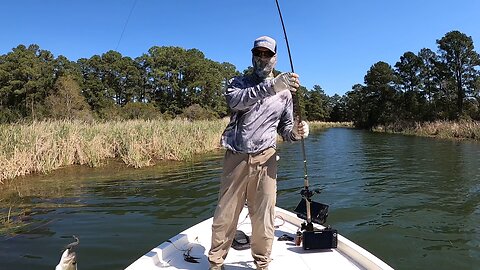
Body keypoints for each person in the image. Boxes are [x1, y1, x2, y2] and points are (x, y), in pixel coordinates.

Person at [208, 35, 309, 270]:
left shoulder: (285, 94)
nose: (262, 58)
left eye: (267, 54)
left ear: (275, 58)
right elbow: (236, 103)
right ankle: (215, 264)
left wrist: (297, 130)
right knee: (226, 214)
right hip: (236, 157)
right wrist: (272, 86)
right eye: (258, 53)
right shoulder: (239, 83)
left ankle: (262, 264)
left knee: (264, 217)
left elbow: (285, 130)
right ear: (252, 56)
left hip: (267, 158)